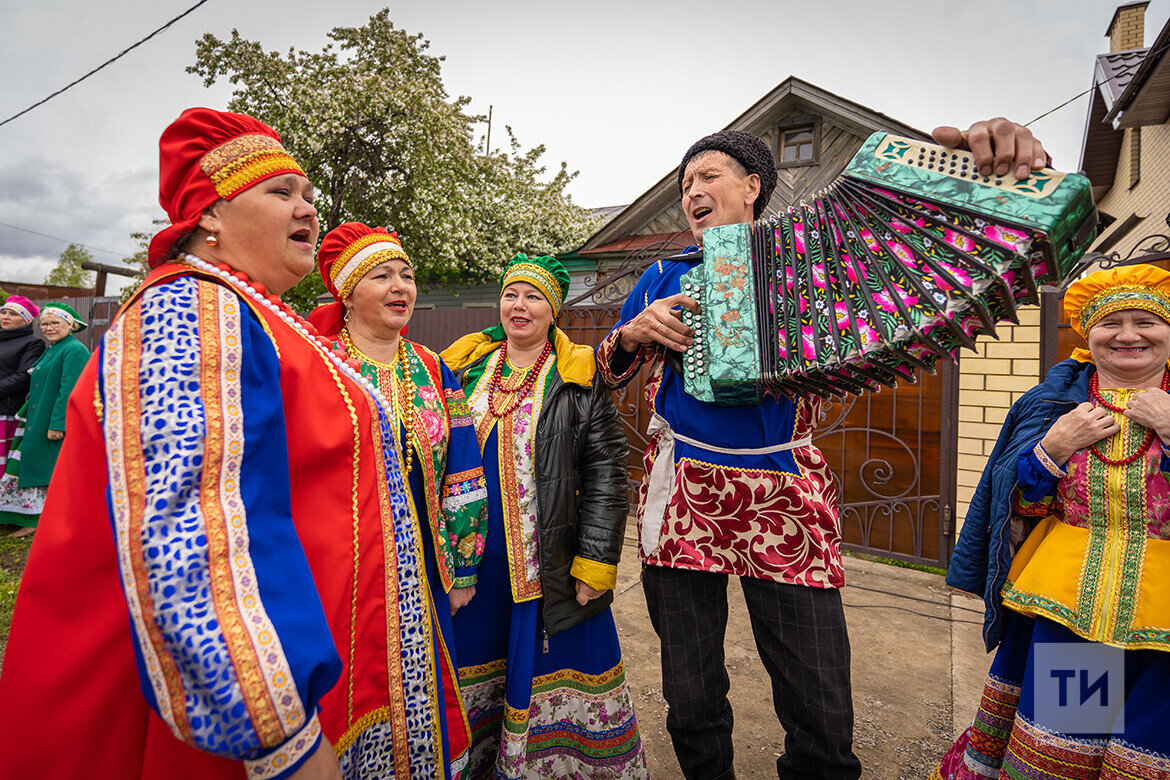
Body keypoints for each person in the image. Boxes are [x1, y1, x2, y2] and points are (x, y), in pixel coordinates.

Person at [0, 108, 469, 779]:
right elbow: (187, 534)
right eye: (282, 193)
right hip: (213, 718)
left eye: (308, 194)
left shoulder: (252, 314)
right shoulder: (186, 308)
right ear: (209, 216)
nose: (307, 207)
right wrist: (279, 736)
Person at [595, 118, 1051, 780]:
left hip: (785, 492)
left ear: (752, 187)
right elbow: (607, 369)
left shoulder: (822, 263)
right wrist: (634, 331)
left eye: (707, 176)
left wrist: (960, 176)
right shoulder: (665, 274)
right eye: (685, 182)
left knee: (822, 703)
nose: (691, 189)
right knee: (690, 692)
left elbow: (915, 260)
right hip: (683, 491)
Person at [935, 264, 1170, 780]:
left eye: (1145, 322)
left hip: (1165, 625)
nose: (1128, 335)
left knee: (1150, 752)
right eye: (1112, 323)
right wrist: (1053, 447)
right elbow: (1014, 508)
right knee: (1065, 744)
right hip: (1071, 614)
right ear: (1089, 335)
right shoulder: (1051, 405)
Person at [442, 254, 648, 779]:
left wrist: (595, 562)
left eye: (533, 296)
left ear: (552, 311)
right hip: (476, 564)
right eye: (512, 294)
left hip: (546, 564)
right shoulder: (465, 370)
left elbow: (607, 475)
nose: (520, 305)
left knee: (553, 665)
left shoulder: (577, 377)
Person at [309, 220, 488, 695]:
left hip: (426, 566)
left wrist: (462, 569)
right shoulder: (318, 364)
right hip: (339, 567)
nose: (399, 287)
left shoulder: (432, 367)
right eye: (381, 275)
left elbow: (464, 472)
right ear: (347, 292)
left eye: (406, 275)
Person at [0, 302, 89, 536]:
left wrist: (58, 424)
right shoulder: (54, 348)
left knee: (43, 469)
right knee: (30, 465)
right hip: (37, 417)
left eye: (54, 323)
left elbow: (69, 390)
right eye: (44, 324)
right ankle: (24, 518)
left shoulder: (74, 350)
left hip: (51, 419)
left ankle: (35, 522)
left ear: (70, 325)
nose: (49, 328)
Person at [0, 296, 45, 469]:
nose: (5, 317)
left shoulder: (33, 344)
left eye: (13, 314)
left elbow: (23, 377)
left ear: (26, 319)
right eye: (3, 312)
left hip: (6, 411)